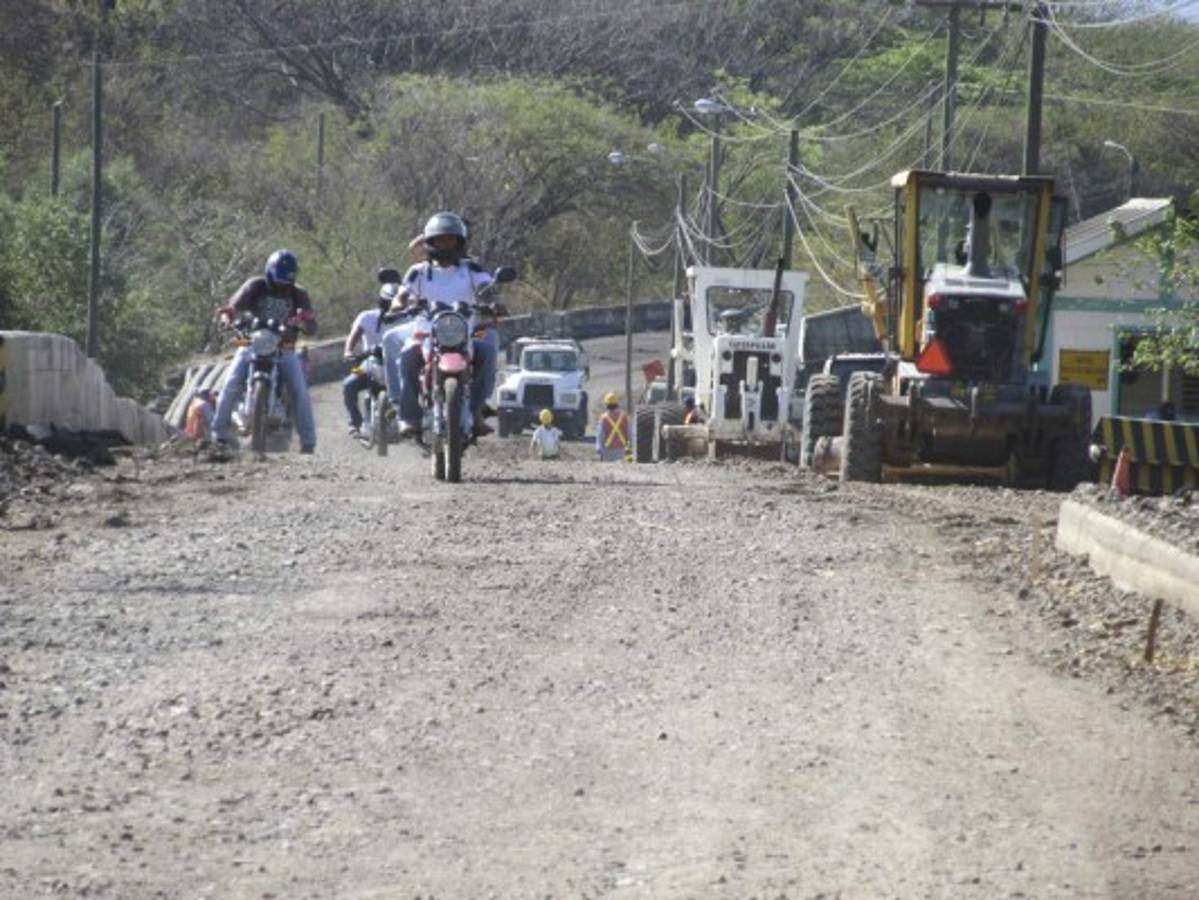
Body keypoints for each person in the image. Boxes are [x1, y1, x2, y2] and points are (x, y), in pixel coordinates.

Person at [381, 212, 498, 438]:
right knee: (407, 356)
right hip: (425, 331)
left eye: (451, 239)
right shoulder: (419, 271)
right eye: (440, 239)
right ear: (431, 242)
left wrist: (493, 303)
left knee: (488, 348)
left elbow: (486, 288)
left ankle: (477, 409)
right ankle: (409, 416)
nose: (445, 244)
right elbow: (404, 293)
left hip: (464, 330)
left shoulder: (472, 269)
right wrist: (397, 305)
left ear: (459, 241)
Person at [211, 249, 319, 453]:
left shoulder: (299, 294)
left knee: (300, 390)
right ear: (269, 272)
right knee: (230, 384)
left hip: (284, 346)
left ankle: (308, 441)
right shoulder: (255, 285)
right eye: (279, 279)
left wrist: (305, 323)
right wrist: (228, 317)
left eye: (287, 281)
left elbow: (311, 324)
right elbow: (233, 306)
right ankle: (218, 435)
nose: (283, 285)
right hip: (251, 342)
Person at [342, 283, 398, 438]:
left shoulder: (406, 318)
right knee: (349, 384)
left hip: (396, 365)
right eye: (388, 302)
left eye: (395, 301)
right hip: (368, 363)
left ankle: (413, 422)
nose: (392, 306)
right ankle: (355, 423)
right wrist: (348, 351)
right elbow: (353, 336)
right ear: (382, 301)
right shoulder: (367, 316)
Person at [595, 392, 630, 462]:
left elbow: (600, 435)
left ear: (606, 404)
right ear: (617, 404)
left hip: (607, 450)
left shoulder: (603, 418)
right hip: (621, 450)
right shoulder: (624, 417)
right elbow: (631, 433)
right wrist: (632, 447)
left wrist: (598, 447)